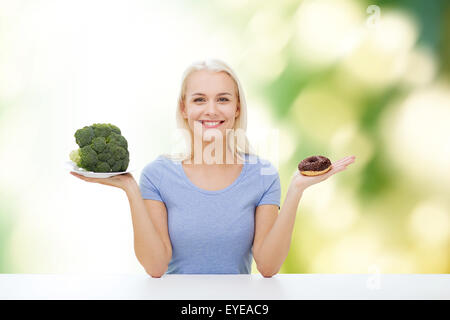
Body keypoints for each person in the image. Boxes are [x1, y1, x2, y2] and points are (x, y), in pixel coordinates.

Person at [70, 59, 356, 278]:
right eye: (199, 99)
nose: (211, 110)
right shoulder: (157, 175)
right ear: (184, 109)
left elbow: (267, 267)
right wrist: (131, 190)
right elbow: (156, 267)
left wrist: (295, 190)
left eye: (222, 99)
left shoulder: (262, 175)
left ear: (237, 108)